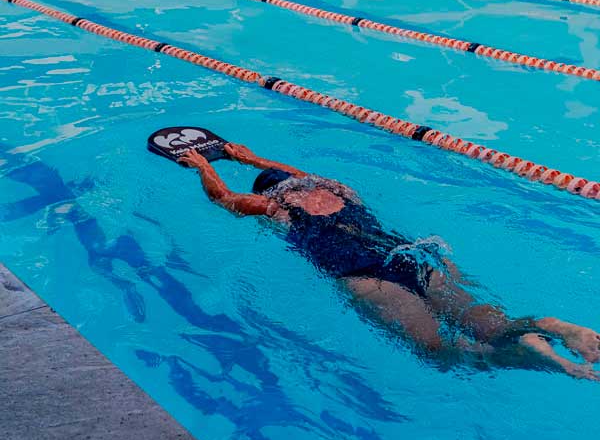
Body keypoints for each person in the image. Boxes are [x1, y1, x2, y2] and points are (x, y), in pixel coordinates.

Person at [178, 142, 600, 380]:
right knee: (492, 325)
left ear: (271, 192)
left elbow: (222, 198)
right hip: (412, 256)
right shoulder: (336, 187)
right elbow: (292, 167)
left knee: (439, 352)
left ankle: (551, 361)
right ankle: (550, 327)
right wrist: (251, 157)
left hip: (363, 275)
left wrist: (202, 166)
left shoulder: (276, 207)